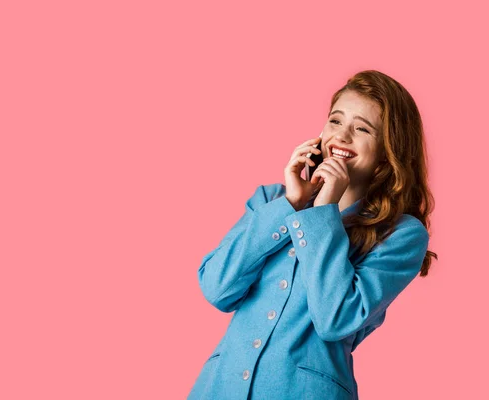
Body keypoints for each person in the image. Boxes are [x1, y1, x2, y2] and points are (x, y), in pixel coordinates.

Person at [187, 70, 437, 400]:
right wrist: (291, 203)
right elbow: (217, 287)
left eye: (362, 128)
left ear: (386, 156)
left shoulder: (401, 234)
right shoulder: (270, 201)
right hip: (219, 389)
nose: (342, 136)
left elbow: (336, 320)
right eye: (335, 121)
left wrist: (323, 211)